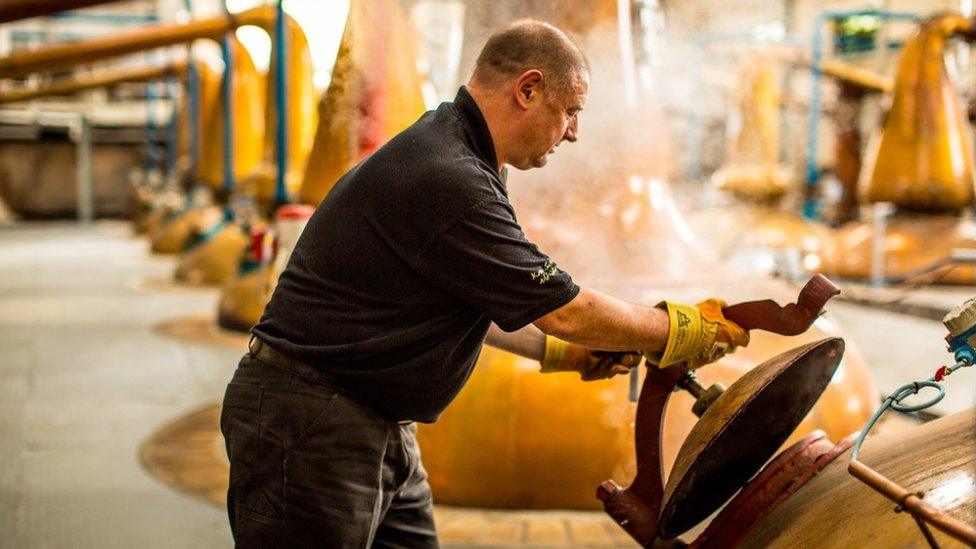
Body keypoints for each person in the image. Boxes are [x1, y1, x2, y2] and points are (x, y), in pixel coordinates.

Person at [220, 19, 749, 548]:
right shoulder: (449, 175)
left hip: (373, 422)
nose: (574, 133)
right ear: (528, 89)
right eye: (570, 111)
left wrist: (569, 355)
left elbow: (478, 307)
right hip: (312, 423)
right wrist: (680, 328)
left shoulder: (463, 154)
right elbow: (567, 309)